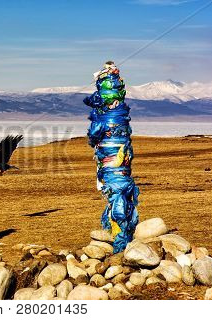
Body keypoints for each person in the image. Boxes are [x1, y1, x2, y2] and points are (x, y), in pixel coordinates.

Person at [83, 61, 139, 253]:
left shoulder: (103, 116)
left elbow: (94, 136)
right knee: (120, 193)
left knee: (116, 196)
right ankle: (122, 232)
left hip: (114, 164)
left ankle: (120, 236)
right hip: (120, 163)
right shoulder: (113, 114)